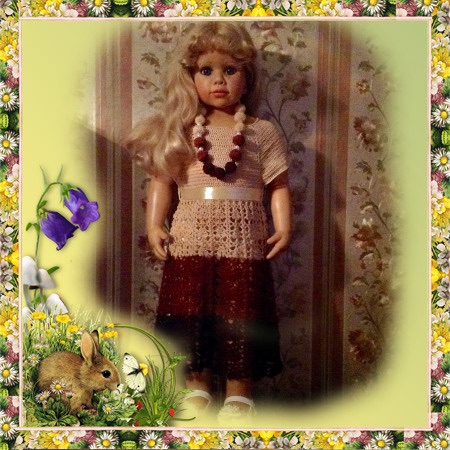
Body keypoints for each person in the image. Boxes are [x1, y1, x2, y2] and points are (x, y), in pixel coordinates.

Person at [125, 22, 291, 424]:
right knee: (190, 310)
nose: (219, 80)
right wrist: (154, 225)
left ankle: (239, 393)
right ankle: (195, 385)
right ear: (191, 77)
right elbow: (162, 181)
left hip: (244, 240)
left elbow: (278, 185)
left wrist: (284, 226)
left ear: (247, 77)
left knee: (241, 312)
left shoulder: (262, 133)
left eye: (230, 70)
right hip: (189, 237)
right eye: (207, 70)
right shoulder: (181, 131)